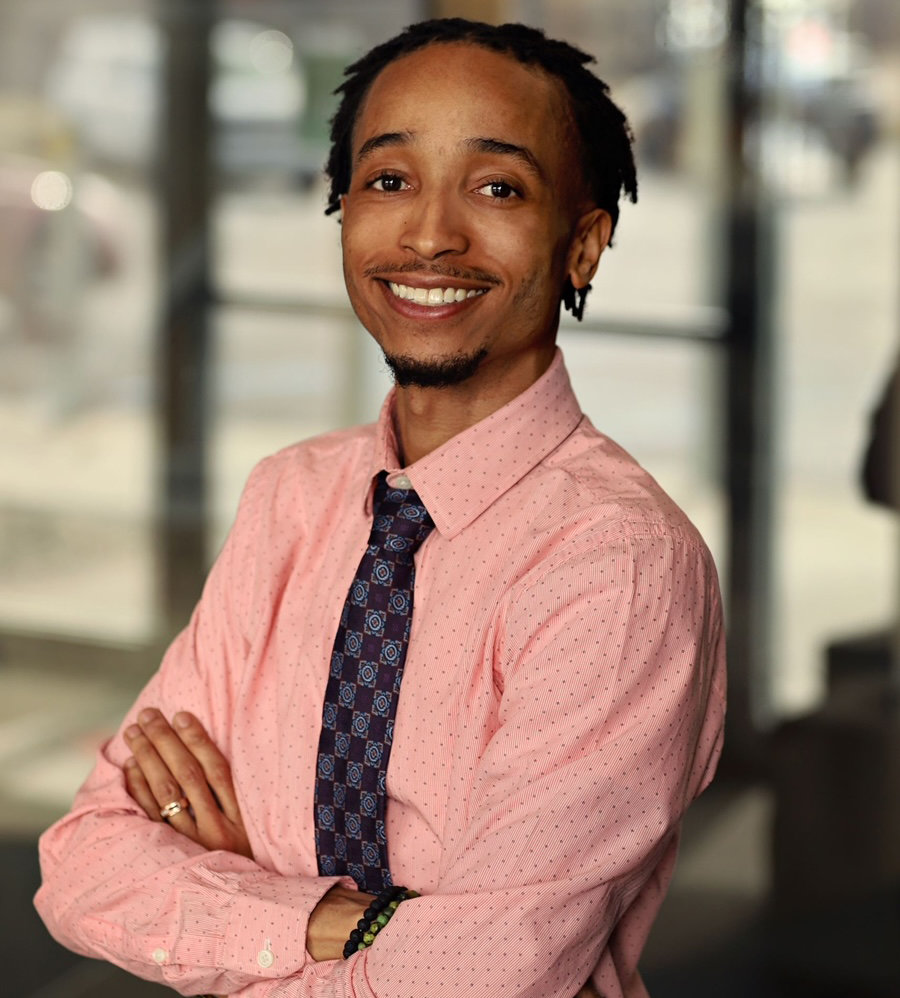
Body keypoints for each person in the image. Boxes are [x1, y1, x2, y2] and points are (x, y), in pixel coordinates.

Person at [35, 18, 726, 998]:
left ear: (582, 244)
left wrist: (230, 903)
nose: (431, 234)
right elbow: (84, 859)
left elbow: (487, 972)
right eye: (390, 181)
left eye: (497, 188)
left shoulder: (619, 562)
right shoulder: (292, 497)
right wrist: (328, 915)